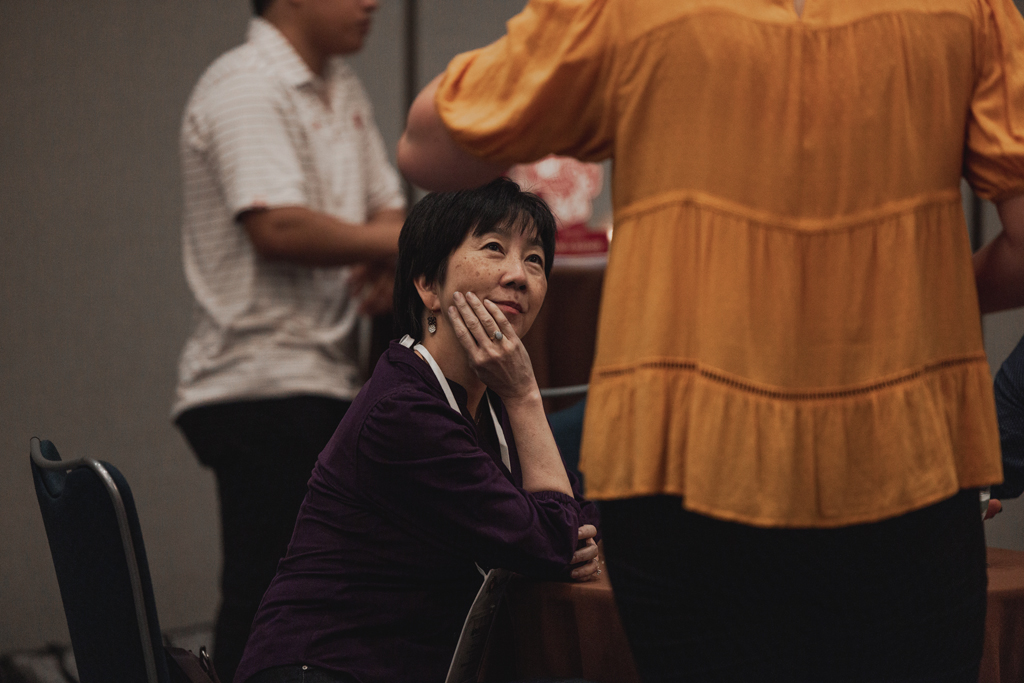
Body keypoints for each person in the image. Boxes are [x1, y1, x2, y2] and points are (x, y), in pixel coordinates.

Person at [397, 0, 1024, 680]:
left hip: (688, 460)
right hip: (907, 452)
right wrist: (919, 297)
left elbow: (429, 145)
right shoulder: (969, 9)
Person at [233, 177, 601, 683]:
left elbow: (578, 525)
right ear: (428, 285)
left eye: (535, 260)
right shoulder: (402, 411)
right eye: (494, 248)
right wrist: (525, 396)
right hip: (322, 669)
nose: (518, 275)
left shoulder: (489, 402)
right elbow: (554, 543)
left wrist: (517, 403)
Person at [171, 0, 404, 679]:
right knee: (276, 594)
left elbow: (385, 203)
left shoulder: (341, 85)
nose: (373, 3)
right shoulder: (246, 81)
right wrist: (397, 243)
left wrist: (387, 250)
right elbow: (277, 228)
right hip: (258, 378)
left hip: (317, 378)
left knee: (307, 594)